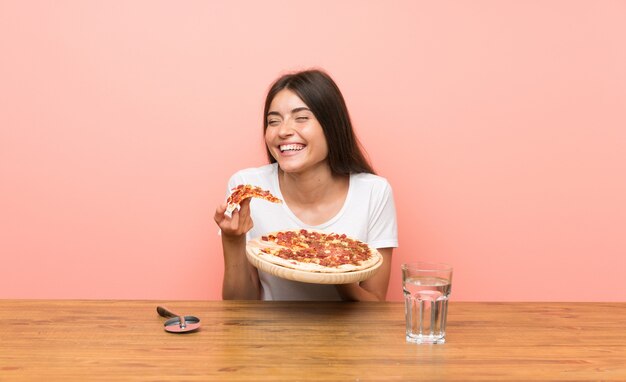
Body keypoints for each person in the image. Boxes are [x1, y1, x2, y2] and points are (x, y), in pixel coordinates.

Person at [214, 69, 398, 301]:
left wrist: (331, 268)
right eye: (273, 121)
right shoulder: (248, 187)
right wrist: (232, 241)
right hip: (267, 334)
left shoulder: (374, 192)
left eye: (301, 118)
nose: (283, 131)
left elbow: (374, 306)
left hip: (346, 335)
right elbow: (238, 305)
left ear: (331, 126)